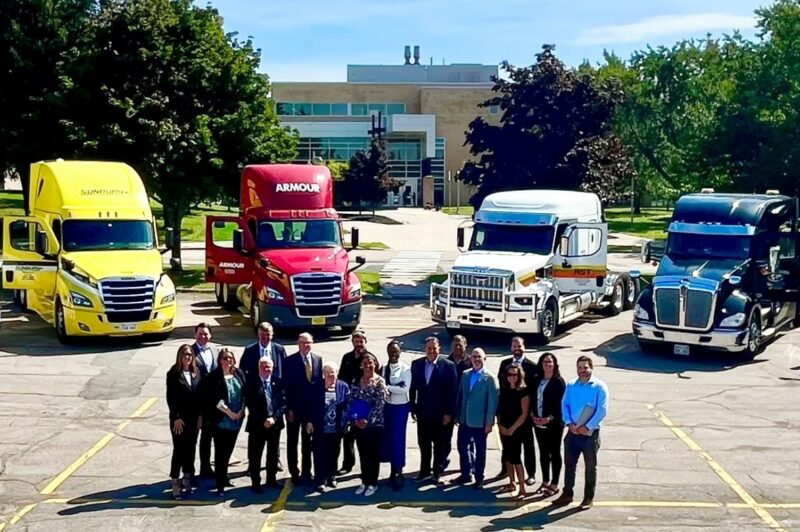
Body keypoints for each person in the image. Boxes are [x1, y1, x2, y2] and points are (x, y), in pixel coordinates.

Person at [552, 356, 609, 510]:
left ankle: (588, 498)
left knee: (590, 468)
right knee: (569, 465)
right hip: (573, 432)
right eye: (580, 368)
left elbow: (602, 410)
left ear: (591, 368)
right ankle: (567, 494)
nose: (582, 370)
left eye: (585, 367)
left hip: (589, 435)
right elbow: (564, 405)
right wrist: (569, 423)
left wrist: (588, 426)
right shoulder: (571, 385)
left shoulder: (599, 387)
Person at [409, 336, 457, 485]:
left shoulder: (448, 365)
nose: (431, 351)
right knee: (423, 443)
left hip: (441, 414)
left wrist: (449, 413)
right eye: (429, 348)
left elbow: (453, 392)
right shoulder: (417, 364)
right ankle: (424, 471)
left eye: (434, 348)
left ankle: (437, 472)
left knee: (439, 445)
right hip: (423, 412)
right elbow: (412, 388)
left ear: (439, 349)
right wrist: (413, 408)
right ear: (425, 349)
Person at [201, 348, 245, 497]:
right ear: (220, 360)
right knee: (220, 453)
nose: (229, 360)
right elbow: (215, 400)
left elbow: (244, 394)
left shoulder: (238, 373)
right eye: (225, 358)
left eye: (231, 358)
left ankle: (225, 477)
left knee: (228, 451)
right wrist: (230, 413)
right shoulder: (214, 377)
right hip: (221, 420)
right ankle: (219, 484)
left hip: (236, 421)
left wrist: (241, 411)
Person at [453, 348, 499, 489]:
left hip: (480, 422)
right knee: (462, 447)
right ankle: (465, 473)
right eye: (474, 357)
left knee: (480, 451)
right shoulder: (465, 375)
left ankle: (479, 477)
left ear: (484, 359)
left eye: (479, 357)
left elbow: (492, 403)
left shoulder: (490, 378)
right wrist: (458, 415)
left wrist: (489, 423)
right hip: (465, 420)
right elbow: (461, 396)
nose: (476, 359)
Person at [496, 336, 539, 485]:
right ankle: (505, 470)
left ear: (524, 347)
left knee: (528, 445)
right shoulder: (504, 364)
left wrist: (532, 413)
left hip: (525, 414)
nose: (517, 349)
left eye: (519, 346)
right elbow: (502, 387)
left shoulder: (532, 366)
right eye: (514, 346)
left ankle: (531, 474)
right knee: (507, 444)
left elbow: (534, 391)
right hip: (508, 412)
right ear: (511, 348)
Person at [283, 332, 323, 484]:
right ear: (298, 343)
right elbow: (286, 386)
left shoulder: (318, 359)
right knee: (293, 442)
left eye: (309, 342)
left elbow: (317, 385)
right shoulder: (289, 361)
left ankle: (307, 472)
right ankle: (294, 472)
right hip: (294, 409)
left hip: (310, 410)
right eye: (303, 342)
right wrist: (288, 408)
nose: (306, 345)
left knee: (308, 442)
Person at [346, 353, 387, 497]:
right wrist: (356, 419)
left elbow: (380, 404)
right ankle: (364, 481)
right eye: (365, 363)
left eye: (371, 363)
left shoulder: (380, 381)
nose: (368, 366)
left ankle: (372, 483)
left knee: (372, 455)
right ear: (361, 366)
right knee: (363, 454)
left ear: (375, 364)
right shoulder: (356, 381)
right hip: (358, 424)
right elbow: (351, 400)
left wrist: (367, 420)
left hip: (373, 425)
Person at [165, 344, 202, 499]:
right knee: (179, 450)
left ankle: (187, 477)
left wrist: (200, 417)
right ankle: (175, 481)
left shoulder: (196, 372)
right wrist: (176, 417)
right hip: (179, 419)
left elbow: (200, 396)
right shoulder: (174, 373)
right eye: (185, 354)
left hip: (193, 419)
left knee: (191, 449)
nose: (187, 357)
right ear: (180, 356)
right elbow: (171, 397)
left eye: (190, 355)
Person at [245, 358, 285, 493]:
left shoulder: (278, 382)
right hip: (257, 425)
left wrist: (274, 418)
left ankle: (271, 479)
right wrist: (263, 420)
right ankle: (255, 483)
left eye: (269, 367)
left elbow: (282, 403)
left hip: (274, 425)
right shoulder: (252, 383)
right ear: (259, 368)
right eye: (263, 366)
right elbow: (250, 404)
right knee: (255, 455)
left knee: (273, 454)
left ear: (273, 369)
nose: (266, 369)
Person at [310, 362, 350, 493]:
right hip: (320, 427)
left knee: (334, 453)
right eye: (326, 373)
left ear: (337, 373)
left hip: (336, 427)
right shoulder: (316, 386)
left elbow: (348, 406)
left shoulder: (343, 386)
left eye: (332, 373)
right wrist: (309, 422)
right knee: (319, 453)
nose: (329, 375)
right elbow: (310, 405)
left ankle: (331, 477)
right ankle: (320, 480)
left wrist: (347, 423)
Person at [337, 330, 373, 475]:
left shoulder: (370, 359)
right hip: (348, 401)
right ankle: (347, 464)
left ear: (365, 342)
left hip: (363, 403)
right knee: (347, 435)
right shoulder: (347, 357)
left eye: (361, 341)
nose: (359, 344)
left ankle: (366, 467)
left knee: (363, 437)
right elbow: (340, 378)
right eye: (356, 341)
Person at [532, 352, 566, 497]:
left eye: (550, 362)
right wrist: (533, 416)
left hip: (554, 424)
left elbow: (561, 404)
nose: (547, 364)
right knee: (543, 452)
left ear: (554, 364)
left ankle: (554, 483)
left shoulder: (558, 382)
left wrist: (549, 418)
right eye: (545, 362)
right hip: (538, 422)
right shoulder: (536, 379)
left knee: (554, 452)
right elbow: (532, 399)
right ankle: (545, 480)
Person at [381, 340, 412, 491]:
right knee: (389, 439)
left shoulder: (405, 369)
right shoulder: (384, 368)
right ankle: (392, 471)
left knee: (399, 439)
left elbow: (404, 389)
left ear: (400, 352)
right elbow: (382, 387)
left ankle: (399, 472)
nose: (393, 354)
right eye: (391, 351)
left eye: (396, 352)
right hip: (388, 407)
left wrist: (388, 387)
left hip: (400, 408)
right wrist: (392, 387)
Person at [496, 364, 531, 498]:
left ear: (519, 375)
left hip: (517, 430)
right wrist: (500, 425)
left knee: (516, 458)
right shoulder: (504, 390)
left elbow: (524, 414)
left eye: (515, 374)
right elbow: (500, 409)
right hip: (503, 428)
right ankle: (511, 483)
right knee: (507, 457)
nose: (512, 377)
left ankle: (522, 488)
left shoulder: (523, 391)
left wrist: (512, 429)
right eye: (509, 374)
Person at [192, 322, 218, 479]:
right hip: (197, 401)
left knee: (208, 436)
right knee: (193, 439)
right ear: (195, 334)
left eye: (206, 334)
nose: (203, 336)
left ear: (210, 335)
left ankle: (206, 467)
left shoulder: (215, 350)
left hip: (213, 402)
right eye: (200, 333)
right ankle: (189, 472)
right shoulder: (190, 352)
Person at [448, 335, 473, 471]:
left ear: (465, 345)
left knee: (467, 441)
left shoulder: (471, 363)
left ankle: (469, 466)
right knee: (445, 438)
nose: (457, 347)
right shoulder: (446, 362)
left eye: (460, 345)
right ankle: (442, 461)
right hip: (449, 407)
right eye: (455, 344)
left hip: (466, 408)